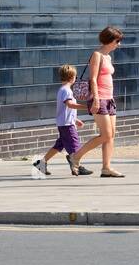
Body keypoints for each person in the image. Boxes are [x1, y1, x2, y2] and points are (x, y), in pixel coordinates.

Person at [71, 26, 125, 178]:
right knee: (106, 135)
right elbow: (93, 79)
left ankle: (106, 168)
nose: (119, 44)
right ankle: (75, 157)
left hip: (109, 99)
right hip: (99, 98)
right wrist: (95, 99)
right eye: (117, 41)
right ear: (109, 40)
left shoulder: (108, 57)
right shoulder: (97, 55)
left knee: (111, 135)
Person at [32, 65, 91, 177]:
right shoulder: (67, 91)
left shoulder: (63, 90)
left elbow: (66, 109)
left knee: (58, 146)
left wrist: (75, 119)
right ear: (72, 77)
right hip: (67, 124)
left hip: (65, 122)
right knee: (75, 145)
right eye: (75, 76)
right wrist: (87, 107)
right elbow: (70, 104)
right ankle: (77, 166)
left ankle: (41, 163)